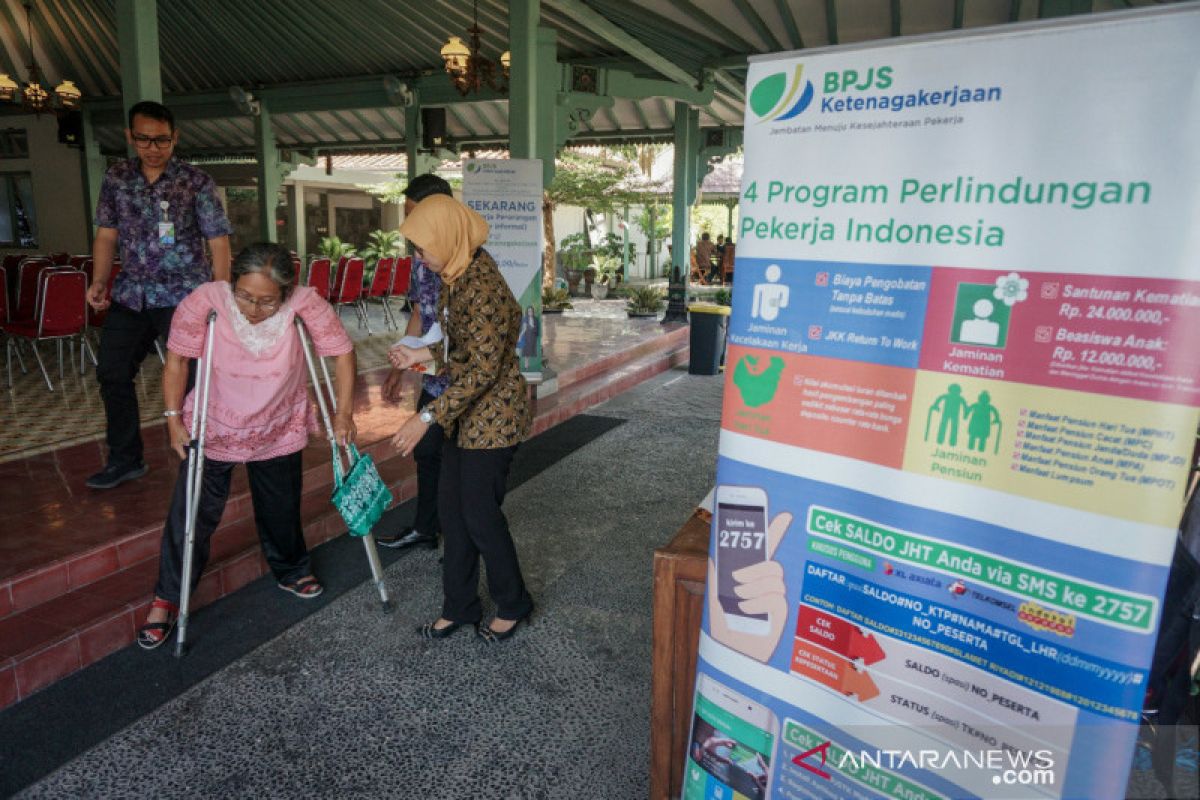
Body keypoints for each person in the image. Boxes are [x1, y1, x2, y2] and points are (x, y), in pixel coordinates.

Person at [136, 243, 356, 650]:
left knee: (281, 506)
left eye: (267, 301)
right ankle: (167, 597)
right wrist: (172, 421)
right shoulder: (206, 301)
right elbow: (178, 361)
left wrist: (342, 412)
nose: (254, 308)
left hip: (278, 420)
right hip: (216, 420)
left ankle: (291, 569)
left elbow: (341, 353)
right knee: (192, 514)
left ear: (286, 292)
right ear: (233, 281)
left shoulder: (304, 302)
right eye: (245, 296)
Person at [388, 195, 533, 644]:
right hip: (465, 414)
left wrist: (426, 416)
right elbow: (462, 351)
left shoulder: (480, 285)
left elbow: (484, 369)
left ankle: (514, 603)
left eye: (421, 246)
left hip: (493, 418)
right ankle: (460, 607)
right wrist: (421, 355)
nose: (417, 256)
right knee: (453, 514)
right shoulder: (455, 272)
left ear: (447, 238)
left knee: (479, 516)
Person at [86, 101, 233, 490]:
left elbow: (218, 242)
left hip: (185, 296)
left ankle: (199, 454)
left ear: (175, 137)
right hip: (132, 294)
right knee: (112, 372)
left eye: (162, 140)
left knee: (192, 379)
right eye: (144, 139)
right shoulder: (116, 178)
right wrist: (100, 280)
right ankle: (124, 459)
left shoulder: (195, 181)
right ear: (130, 137)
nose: (153, 147)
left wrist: (220, 295)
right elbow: (106, 235)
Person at [375, 174, 454, 551]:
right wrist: (398, 367)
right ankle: (426, 527)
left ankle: (459, 540)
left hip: (465, 384)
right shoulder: (421, 260)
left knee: (457, 463)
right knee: (426, 451)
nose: (409, 228)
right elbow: (420, 315)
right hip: (434, 378)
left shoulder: (464, 262)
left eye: (414, 214)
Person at [516, 306, 539, 371]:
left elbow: (537, 330)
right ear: (527, 312)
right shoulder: (525, 318)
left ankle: (526, 366)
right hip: (524, 338)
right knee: (521, 352)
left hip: (531, 338)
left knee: (528, 353)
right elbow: (522, 329)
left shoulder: (536, 319)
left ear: (533, 311)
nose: (530, 312)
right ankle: (519, 366)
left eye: (531, 311)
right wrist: (520, 337)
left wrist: (532, 327)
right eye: (529, 311)